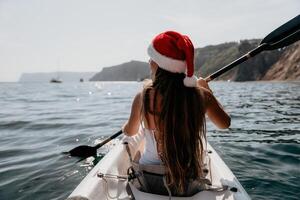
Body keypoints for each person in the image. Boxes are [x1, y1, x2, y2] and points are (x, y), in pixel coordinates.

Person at [122, 31, 230, 196]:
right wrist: (207, 90)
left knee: (139, 148)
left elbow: (130, 132)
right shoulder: (200, 95)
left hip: (150, 180)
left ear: (158, 65)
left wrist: (126, 127)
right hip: (189, 181)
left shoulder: (143, 96)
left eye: (151, 58)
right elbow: (225, 124)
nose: (149, 62)